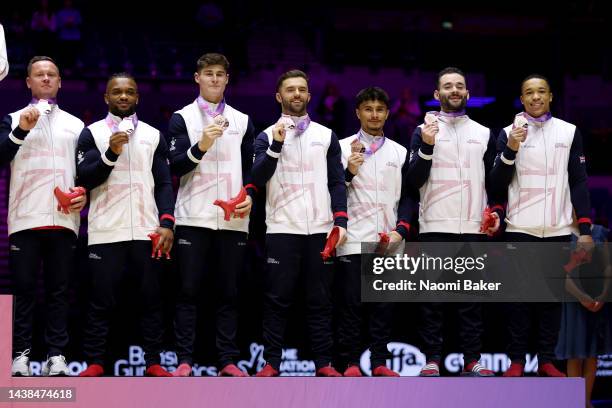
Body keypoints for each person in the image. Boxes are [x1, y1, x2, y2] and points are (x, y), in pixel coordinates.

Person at [490, 73, 593, 377]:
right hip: (520, 228)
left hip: (558, 228)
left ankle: (547, 360)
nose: (535, 97)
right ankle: (517, 361)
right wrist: (510, 148)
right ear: (521, 99)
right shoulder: (508, 132)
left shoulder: (569, 131)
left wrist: (585, 230)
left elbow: (579, 181)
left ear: (550, 97)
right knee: (519, 300)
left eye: (541, 92)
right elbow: (496, 184)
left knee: (550, 301)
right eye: (529, 93)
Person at [76, 73, 175, 377]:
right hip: (106, 229)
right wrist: (110, 153)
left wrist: (167, 222)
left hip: (147, 229)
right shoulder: (91, 133)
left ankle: (153, 362)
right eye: (117, 92)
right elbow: (86, 177)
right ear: (106, 97)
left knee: (151, 298)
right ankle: (95, 361)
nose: (123, 97)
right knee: (100, 300)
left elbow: (163, 183)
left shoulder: (153, 135)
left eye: (129, 92)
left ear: (137, 98)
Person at [252, 69, 347, 377]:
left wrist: (340, 220)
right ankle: (271, 363)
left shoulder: (326, 135)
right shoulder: (266, 135)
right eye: (290, 90)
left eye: (302, 89)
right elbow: (256, 178)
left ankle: (324, 364)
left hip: (320, 229)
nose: (296, 94)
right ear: (279, 97)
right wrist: (276, 145)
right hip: (282, 228)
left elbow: (337, 182)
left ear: (308, 95)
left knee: (320, 300)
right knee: (277, 299)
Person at [407, 67, 501, 377]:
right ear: (437, 94)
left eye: (460, 85)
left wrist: (495, 211)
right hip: (434, 225)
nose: (454, 90)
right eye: (447, 86)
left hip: (473, 228)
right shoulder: (422, 130)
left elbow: (495, 182)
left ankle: (472, 360)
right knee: (432, 300)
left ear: (468, 94)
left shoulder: (484, 133)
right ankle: (432, 358)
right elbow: (412, 181)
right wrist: (427, 144)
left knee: (471, 300)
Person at [167, 53, 256, 377]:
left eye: (220, 74)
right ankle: (184, 360)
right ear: (197, 78)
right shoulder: (182, 118)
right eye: (208, 74)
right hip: (193, 216)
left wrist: (249, 196)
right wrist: (201, 145)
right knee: (188, 291)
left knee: (229, 293)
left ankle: (227, 360)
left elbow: (252, 170)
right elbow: (175, 166)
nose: (215, 79)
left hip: (233, 219)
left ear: (227, 79)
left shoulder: (243, 120)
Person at [0, 56, 86, 376]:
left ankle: (56, 356)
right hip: (24, 218)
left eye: (52, 74)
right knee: (24, 290)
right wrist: (21, 130)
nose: (46, 79)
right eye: (40, 74)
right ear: (28, 82)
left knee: (59, 292)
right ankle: (21, 356)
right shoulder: (11, 119)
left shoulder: (77, 125)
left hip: (64, 220)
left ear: (60, 82)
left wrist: (84, 193)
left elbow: (86, 172)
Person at [335, 86, 414, 377]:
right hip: (353, 239)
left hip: (388, 241)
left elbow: (408, 197)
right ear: (358, 113)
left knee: (383, 309)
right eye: (368, 109)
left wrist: (401, 230)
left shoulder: (400, 152)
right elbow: (331, 192)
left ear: (387, 113)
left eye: (379, 109)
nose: (374, 115)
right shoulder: (342, 148)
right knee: (351, 307)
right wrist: (348, 173)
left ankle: (379, 362)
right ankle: (350, 363)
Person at [557, 220, 611, 408]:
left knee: (592, 353)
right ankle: (575, 401)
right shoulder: (563, 234)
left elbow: (608, 268)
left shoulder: (601, 233)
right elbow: (562, 275)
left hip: (598, 301)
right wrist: (581, 297)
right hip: (574, 300)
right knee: (575, 353)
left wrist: (603, 296)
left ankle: (586, 401)